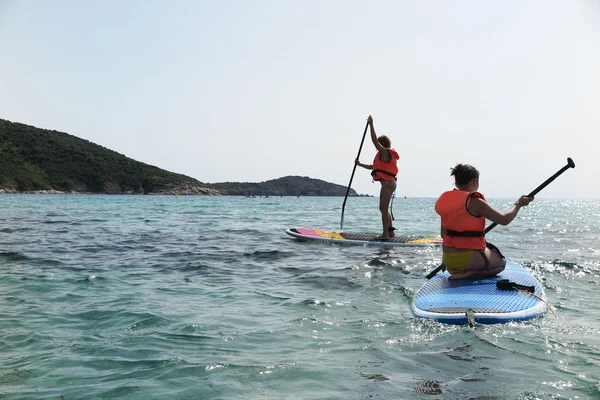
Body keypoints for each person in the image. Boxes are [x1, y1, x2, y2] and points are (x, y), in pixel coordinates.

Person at [435, 164, 533, 279]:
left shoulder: (447, 201)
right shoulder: (475, 201)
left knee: (486, 251)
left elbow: (443, 235)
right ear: (475, 182)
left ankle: (458, 271)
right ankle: (470, 273)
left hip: (448, 260)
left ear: (456, 183)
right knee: (501, 263)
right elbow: (504, 219)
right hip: (466, 260)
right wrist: (519, 204)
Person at [355, 115, 400, 240]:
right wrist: (360, 164)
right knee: (384, 209)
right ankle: (390, 232)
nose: (376, 146)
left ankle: (385, 235)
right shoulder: (383, 156)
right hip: (389, 183)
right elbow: (373, 167)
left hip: (387, 183)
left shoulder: (385, 152)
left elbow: (374, 140)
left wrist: (371, 125)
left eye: (378, 144)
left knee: (383, 208)